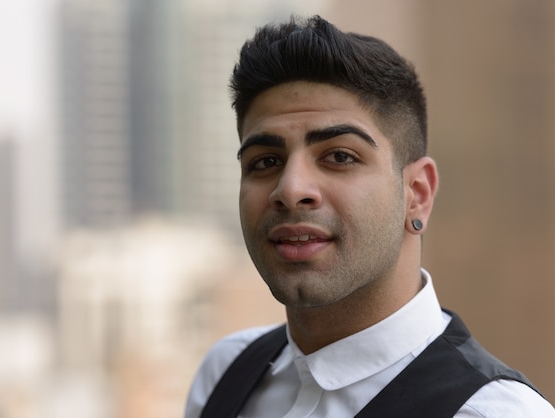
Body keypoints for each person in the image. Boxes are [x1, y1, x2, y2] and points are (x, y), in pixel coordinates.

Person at [184, 15, 554, 417]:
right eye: (265, 161)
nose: (290, 190)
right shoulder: (228, 373)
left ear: (417, 194)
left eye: (340, 156)